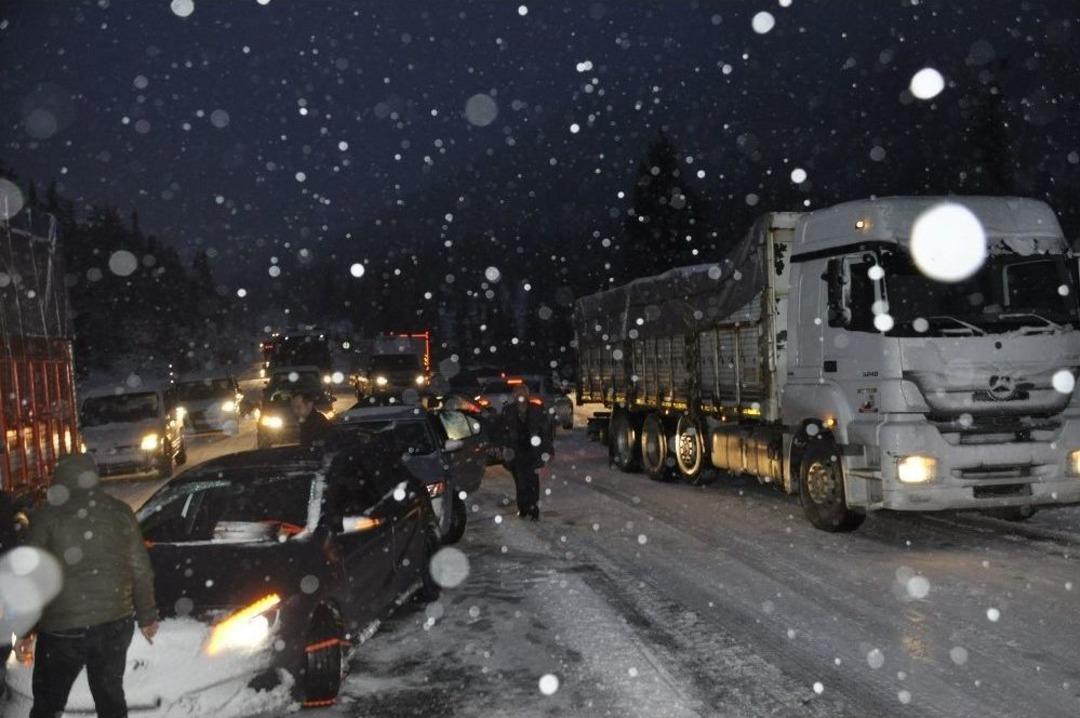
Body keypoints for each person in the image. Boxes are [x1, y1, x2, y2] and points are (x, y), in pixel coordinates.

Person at [14, 454, 158, 718]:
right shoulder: (120, 511)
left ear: (59, 479)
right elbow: (140, 568)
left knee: (48, 702)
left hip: (61, 630)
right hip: (114, 623)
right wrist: (147, 616)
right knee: (110, 696)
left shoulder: (46, 516)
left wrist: (25, 630)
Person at [501, 383, 553, 520]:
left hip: (533, 453)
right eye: (517, 393)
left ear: (528, 395)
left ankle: (533, 508)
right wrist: (503, 450)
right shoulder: (508, 411)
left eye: (522, 393)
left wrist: (547, 451)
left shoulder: (536, 410)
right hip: (516, 453)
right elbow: (503, 433)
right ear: (513, 396)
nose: (520, 396)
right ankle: (523, 508)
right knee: (520, 482)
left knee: (533, 482)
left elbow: (546, 432)